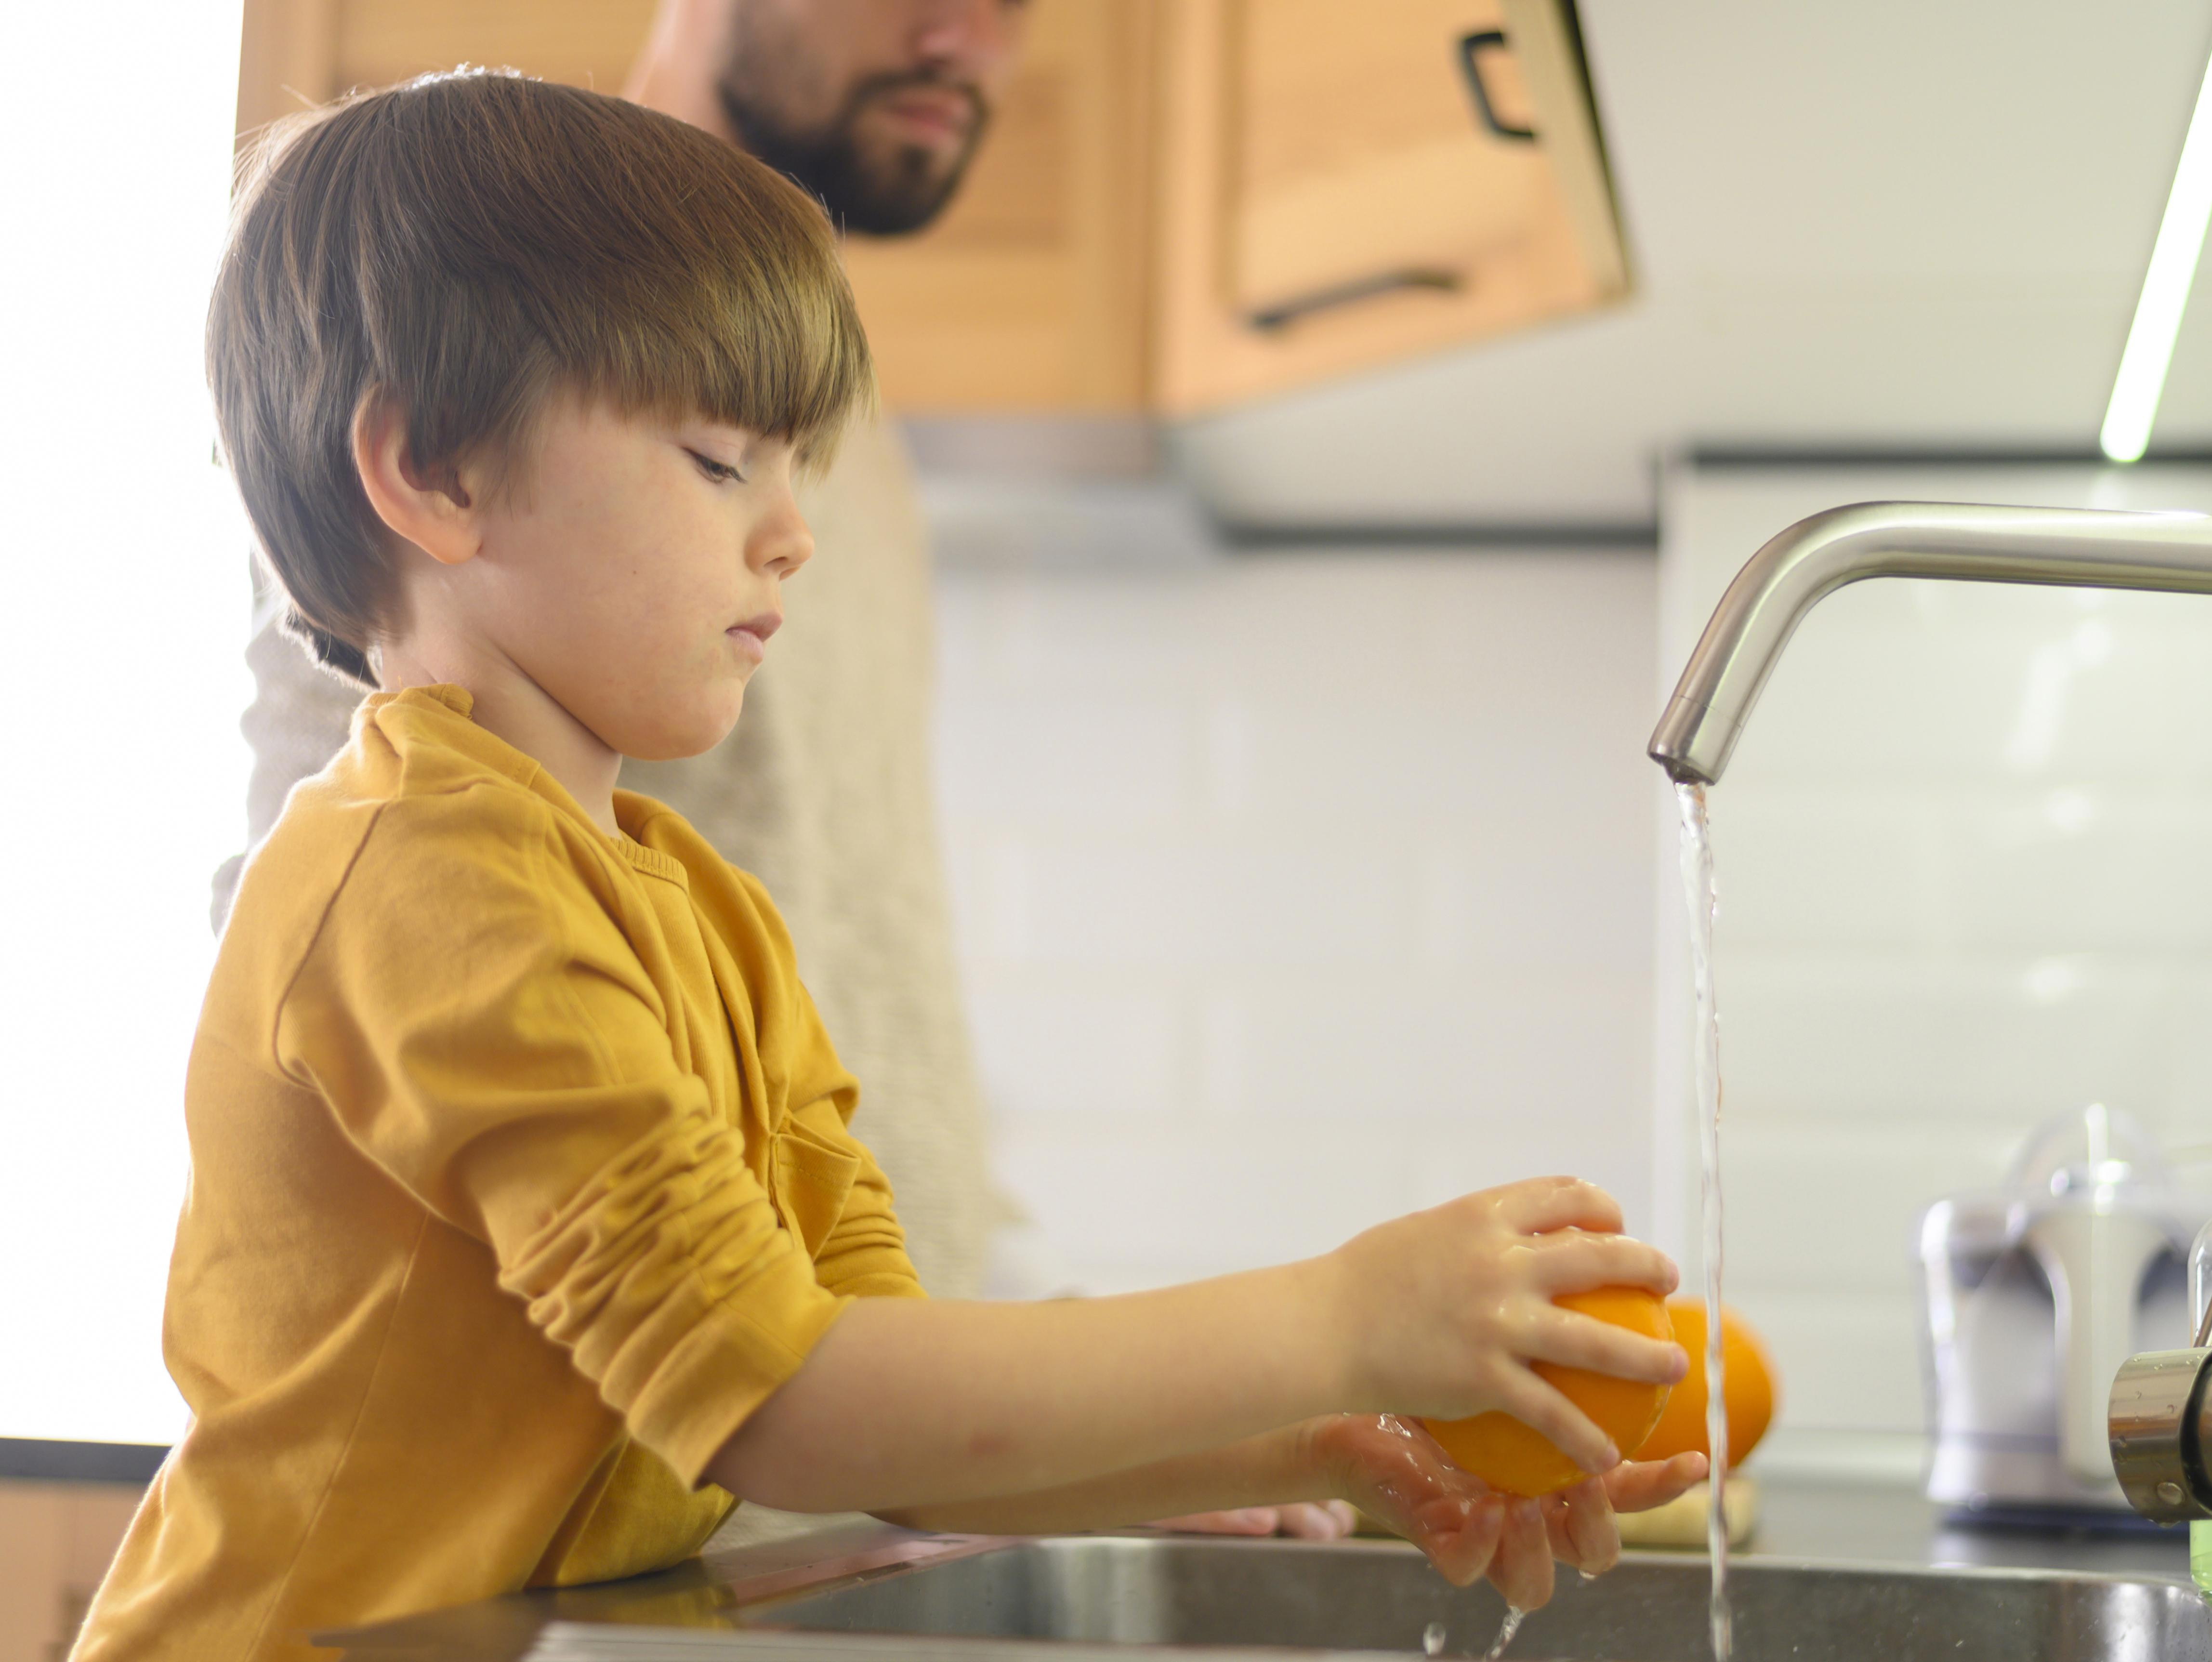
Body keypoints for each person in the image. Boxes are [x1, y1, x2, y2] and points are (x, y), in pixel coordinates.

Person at [75, 73, 1703, 1662]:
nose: (792, 529)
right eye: (720, 458)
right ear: (435, 472)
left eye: (797, 466)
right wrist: (1339, 1321)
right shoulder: (426, 879)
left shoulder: (702, 913)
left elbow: (877, 1400)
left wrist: (1326, 1441)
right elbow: (778, 1403)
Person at [218, 0, 1029, 1310]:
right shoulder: (477, 318)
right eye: (714, 459)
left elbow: (857, 932)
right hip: (631, 1360)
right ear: (434, 471)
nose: (971, 40)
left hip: (854, 1370)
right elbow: (338, 897)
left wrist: (1015, 1358)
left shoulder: (851, 449)